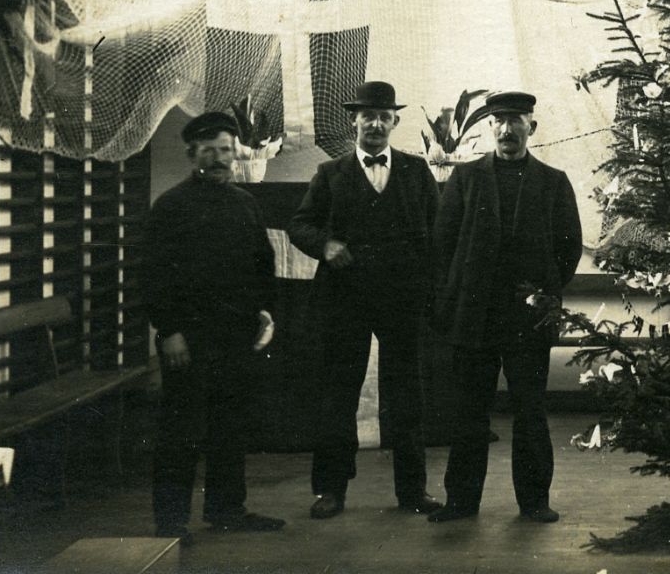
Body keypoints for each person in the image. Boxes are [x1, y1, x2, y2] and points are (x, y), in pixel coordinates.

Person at [287, 81, 442, 519]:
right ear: (353, 121)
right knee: (338, 394)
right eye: (367, 116)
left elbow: (440, 232)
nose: (375, 124)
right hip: (344, 300)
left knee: (407, 395)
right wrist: (325, 245)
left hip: (402, 301)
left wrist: (428, 290)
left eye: (383, 117)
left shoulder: (416, 171)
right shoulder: (330, 173)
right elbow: (300, 225)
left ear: (395, 122)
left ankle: (412, 491)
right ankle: (330, 491)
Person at [429, 90, 583, 523]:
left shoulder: (553, 182)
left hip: (527, 318)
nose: (507, 128)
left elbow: (569, 248)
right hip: (474, 316)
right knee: (469, 412)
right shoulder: (465, 178)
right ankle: (460, 502)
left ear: (531, 126)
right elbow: (443, 244)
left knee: (530, 410)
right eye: (499, 120)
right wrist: (458, 295)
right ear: (489, 127)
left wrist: (542, 293)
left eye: (516, 120)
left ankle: (535, 501)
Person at [139, 110, 284, 538]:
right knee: (180, 430)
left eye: (225, 150)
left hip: (236, 335)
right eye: (209, 151)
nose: (219, 159)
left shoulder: (245, 203)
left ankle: (227, 510)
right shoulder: (171, 206)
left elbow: (263, 263)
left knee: (230, 426)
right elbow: (153, 275)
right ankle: (171, 521)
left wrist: (263, 311)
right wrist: (169, 331)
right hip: (188, 338)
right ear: (192, 155)